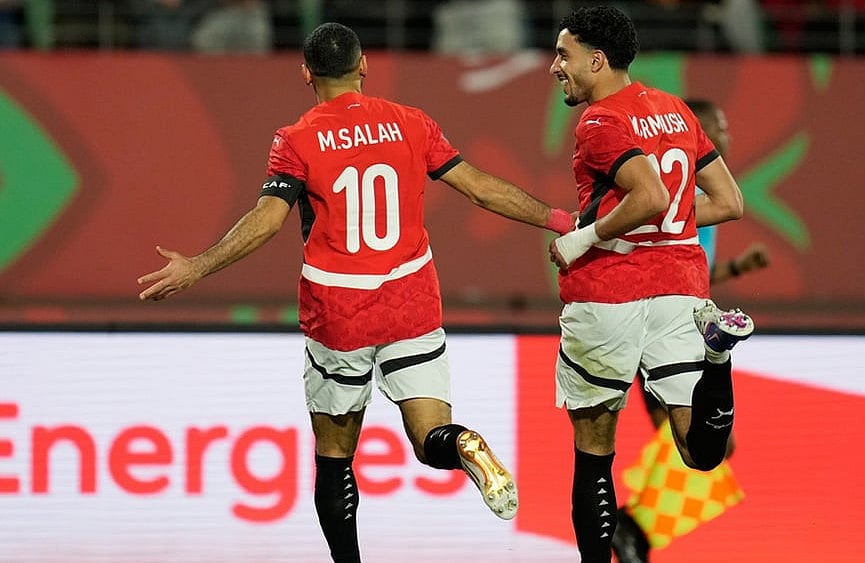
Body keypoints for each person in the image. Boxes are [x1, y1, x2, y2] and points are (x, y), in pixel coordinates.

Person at [137, 22, 575, 562]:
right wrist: (562, 220)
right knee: (428, 436)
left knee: (336, 455)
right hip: (411, 301)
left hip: (338, 309)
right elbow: (481, 188)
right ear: (363, 65)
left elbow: (268, 220)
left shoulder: (295, 138)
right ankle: (460, 444)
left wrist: (198, 267)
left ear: (305, 74)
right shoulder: (412, 123)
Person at [545, 7, 754, 562]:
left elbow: (651, 197)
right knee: (703, 454)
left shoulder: (598, 121)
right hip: (682, 293)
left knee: (593, 452)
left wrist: (582, 238)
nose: (554, 67)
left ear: (597, 59)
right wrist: (673, 223)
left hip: (611, 292)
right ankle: (718, 361)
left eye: (563, 55)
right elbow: (730, 203)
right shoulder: (675, 110)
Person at [611, 98, 771, 563]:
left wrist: (738, 267)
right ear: (696, 130)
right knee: (701, 440)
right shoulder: (682, 197)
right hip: (666, 329)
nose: (727, 134)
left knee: (708, 442)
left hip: (685, 323)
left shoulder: (698, 197)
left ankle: (633, 527)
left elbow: (693, 271)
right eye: (719, 125)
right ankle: (628, 524)